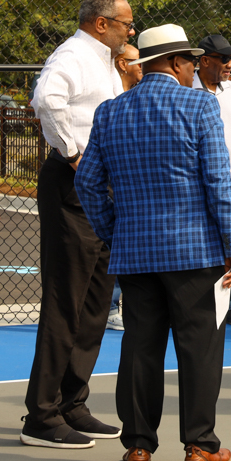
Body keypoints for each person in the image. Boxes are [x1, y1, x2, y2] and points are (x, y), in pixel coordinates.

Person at [76, 24, 231, 461]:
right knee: (199, 348)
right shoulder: (200, 105)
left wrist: (114, 232)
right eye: (190, 60)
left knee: (140, 347)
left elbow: (87, 182)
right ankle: (199, 446)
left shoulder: (111, 112)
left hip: (135, 250)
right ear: (174, 62)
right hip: (196, 251)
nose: (194, 67)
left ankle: (137, 447)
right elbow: (217, 182)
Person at [22, 0, 133, 449]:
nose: (131, 29)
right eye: (126, 22)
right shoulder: (72, 54)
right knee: (66, 300)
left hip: (101, 188)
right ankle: (42, 416)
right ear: (101, 23)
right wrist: (73, 154)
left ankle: (72, 401)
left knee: (95, 301)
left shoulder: (108, 62)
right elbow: (46, 100)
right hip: (74, 188)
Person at [193, 34, 231, 327]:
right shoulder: (186, 89)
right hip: (195, 186)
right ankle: (194, 305)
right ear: (204, 61)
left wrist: (226, 164)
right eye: (224, 59)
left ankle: (229, 304)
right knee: (195, 245)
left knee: (229, 246)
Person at [107, 43, 143, 332]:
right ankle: (108, 308)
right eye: (137, 61)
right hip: (112, 183)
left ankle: (119, 305)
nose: (143, 66)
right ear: (122, 64)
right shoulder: (110, 98)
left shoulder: (135, 97)